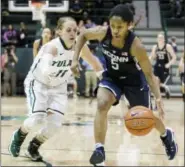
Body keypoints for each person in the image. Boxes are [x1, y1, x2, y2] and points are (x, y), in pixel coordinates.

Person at [71, 4, 178, 166]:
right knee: (102, 103)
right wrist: (74, 59)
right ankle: (99, 149)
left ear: (129, 25)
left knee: (147, 116)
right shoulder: (103, 33)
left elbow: (149, 74)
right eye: (112, 26)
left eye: (120, 27)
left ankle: (166, 135)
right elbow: (83, 35)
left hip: (134, 82)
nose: (115, 30)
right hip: (112, 77)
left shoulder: (136, 46)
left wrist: (158, 98)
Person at [9, 17, 103, 161]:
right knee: (36, 119)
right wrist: (72, 66)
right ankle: (19, 135)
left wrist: (105, 82)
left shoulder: (80, 47)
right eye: (68, 30)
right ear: (59, 32)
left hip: (58, 86)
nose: (73, 33)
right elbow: (46, 69)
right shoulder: (51, 47)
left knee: (55, 125)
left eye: (75, 31)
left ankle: (33, 147)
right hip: (39, 83)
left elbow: (96, 65)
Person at [150, 32, 176, 99]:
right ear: (157, 39)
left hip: (164, 67)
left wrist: (169, 64)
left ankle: (165, 87)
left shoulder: (168, 46)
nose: (160, 39)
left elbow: (174, 57)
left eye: (161, 38)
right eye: (159, 38)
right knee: (156, 84)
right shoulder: (155, 47)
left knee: (159, 84)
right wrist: (148, 62)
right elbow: (152, 57)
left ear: (164, 39)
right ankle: (157, 101)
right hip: (157, 67)